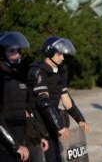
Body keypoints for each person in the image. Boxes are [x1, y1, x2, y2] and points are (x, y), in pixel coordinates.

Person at [27, 36, 89, 161]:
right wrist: (59, 126)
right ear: (49, 53)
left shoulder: (60, 72)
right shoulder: (38, 71)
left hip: (53, 124)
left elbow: (66, 99)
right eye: (59, 54)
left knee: (60, 157)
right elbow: (44, 102)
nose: (63, 58)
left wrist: (80, 120)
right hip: (38, 125)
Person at [0, 31, 49, 162]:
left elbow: (26, 111)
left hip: (25, 140)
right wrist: (15, 145)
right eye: (11, 51)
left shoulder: (19, 77)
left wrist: (37, 137)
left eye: (18, 51)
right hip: (5, 146)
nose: (17, 55)